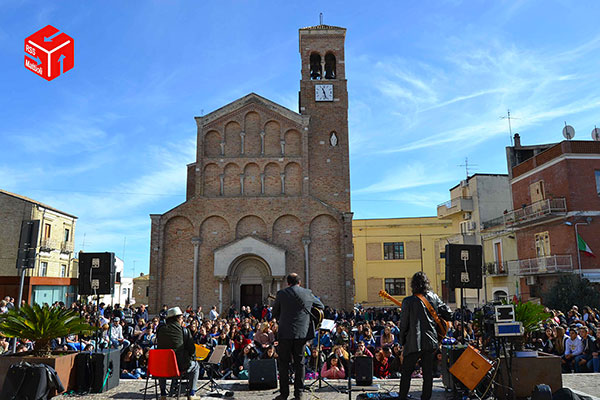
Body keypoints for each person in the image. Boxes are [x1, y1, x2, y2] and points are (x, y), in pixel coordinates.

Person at [398, 271, 451, 400]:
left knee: (406, 373)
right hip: (431, 341)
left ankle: (402, 397)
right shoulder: (434, 297)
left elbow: (404, 324)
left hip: (413, 342)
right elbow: (448, 313)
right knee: (428, 374)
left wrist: (402, 341)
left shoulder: (408, 301)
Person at [272, 273, 324, 400]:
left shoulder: (281, 294)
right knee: (300, 364)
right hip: (302, 333)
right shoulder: (308, 293)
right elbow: (321, 306)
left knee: (284, 364)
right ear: (299, 282)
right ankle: (298, 394)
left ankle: (284, 394)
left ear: (288, 283)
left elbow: (275, 313)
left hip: (285, 333)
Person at [156, 307, 200, 400]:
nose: (182, 320)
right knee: (196, 366)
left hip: (161, 368)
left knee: (163, 361)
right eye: (181, 318)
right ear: (178, 318)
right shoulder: (184, 331)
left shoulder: (160, 330)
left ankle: (163, 394)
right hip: (178, 368)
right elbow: (192, 350)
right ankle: (192, 394)